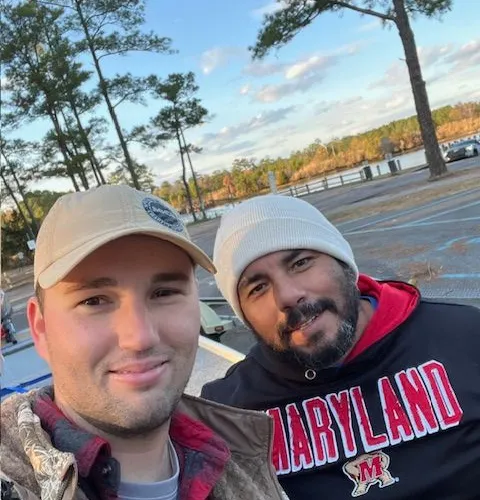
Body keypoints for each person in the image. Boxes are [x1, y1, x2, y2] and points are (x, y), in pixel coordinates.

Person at [0, 185, 287, 500]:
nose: (140, 338)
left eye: (164, 293)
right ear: (40, 328)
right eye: (94, 301)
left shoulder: (244, 460)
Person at [201, 194, 480, 499]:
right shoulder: (230, 413)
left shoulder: (464, 337)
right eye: (258, 287)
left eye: (300, 263)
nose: (288, 296)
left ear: (344, 263)